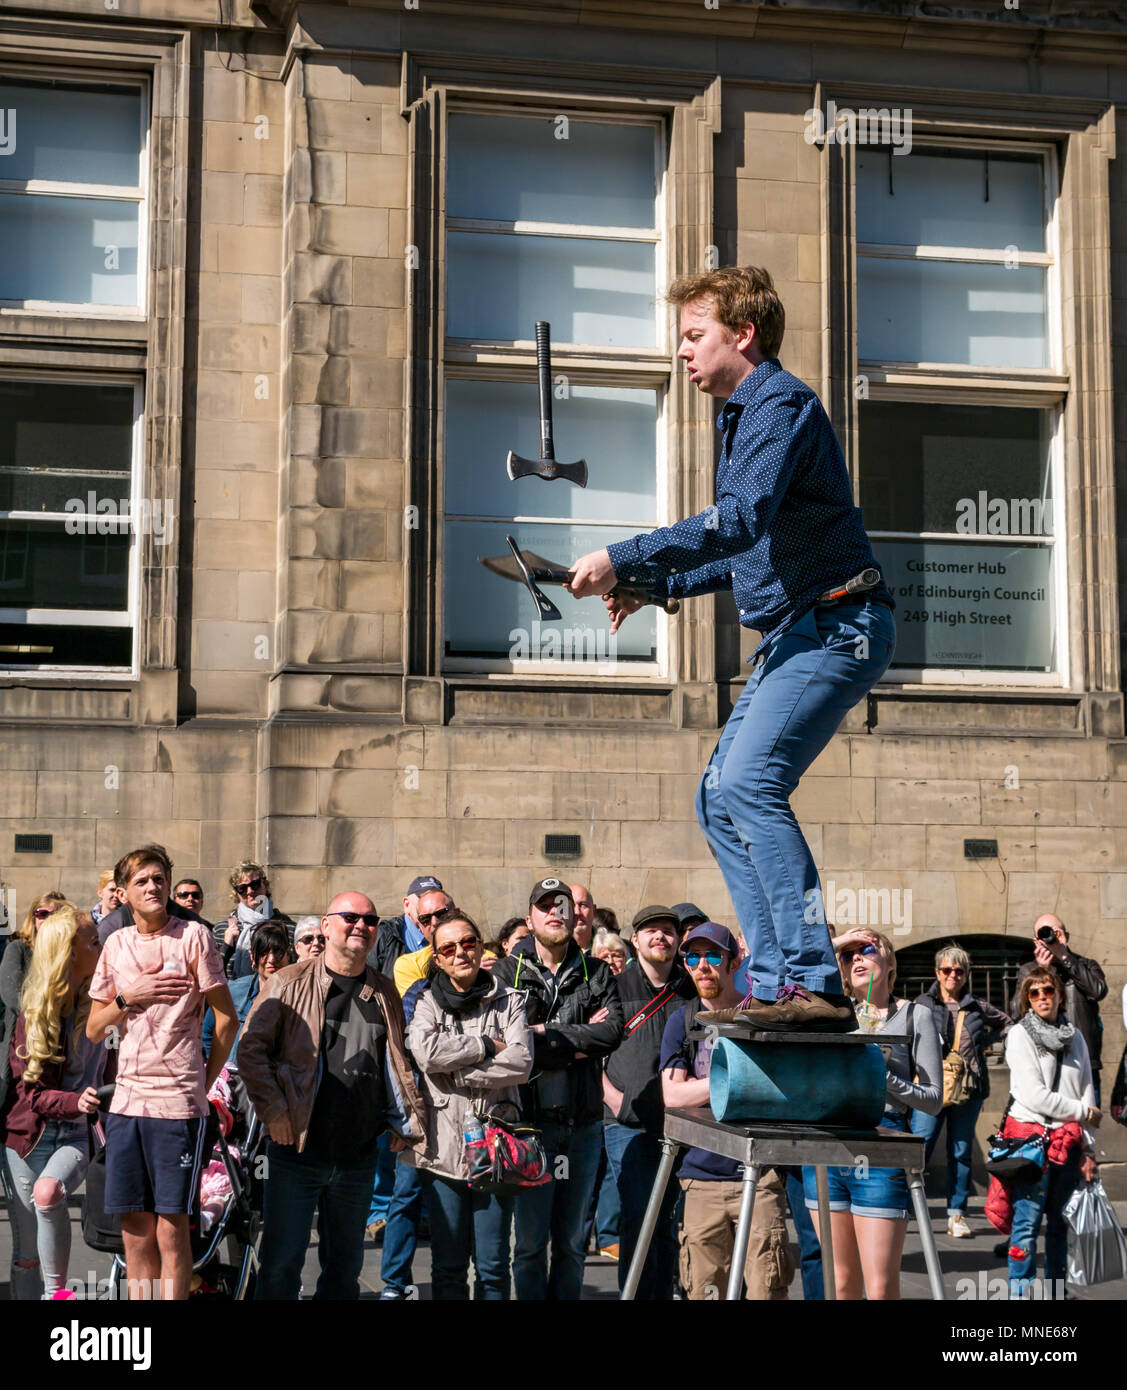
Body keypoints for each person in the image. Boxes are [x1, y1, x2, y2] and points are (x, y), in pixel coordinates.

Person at [569, 266, 895, 1033]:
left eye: (693, 336)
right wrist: (651, 584)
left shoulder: (778, 402)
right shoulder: (747, 417)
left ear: (741, 334)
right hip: (801, 630)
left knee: (748, 787)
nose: (681, 352)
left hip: (837, 625)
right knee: (717, 799)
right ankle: (781, 977)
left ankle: (811, 976)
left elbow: (738, 520)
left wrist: (625, 553)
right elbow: (749, 552)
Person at [238, 891, 427, 1301]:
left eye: (370, 920)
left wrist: (404, 1121)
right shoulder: (287, 983)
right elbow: (250, 1051)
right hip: (296, 1153)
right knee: (280, 1267)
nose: (361, 925)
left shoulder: (385, 992)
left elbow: (398, 1061)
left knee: (344, 1271)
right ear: (326, 926)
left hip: (358, 1155)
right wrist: (274, 1113)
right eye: (350, 917)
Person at [86, 844, 238, 1301]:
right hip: (127, 1105)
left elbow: (227, 1020)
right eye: (141, 881)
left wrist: (203, 1081)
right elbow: (95, 1029)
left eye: (159, 878)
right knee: (134, 1230)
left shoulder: (193, 936)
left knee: (173, 1230)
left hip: (178, 1108)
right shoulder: (114, 944)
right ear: (123, 893)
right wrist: (129, 996)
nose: (153, 886)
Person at [490, 877, 624, 1300]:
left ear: (574, 915)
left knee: (570, 1244)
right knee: (529, 1246)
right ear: (530, 919)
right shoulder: (506, 971)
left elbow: (613, 1032)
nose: (555, 913)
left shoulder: (596, 970)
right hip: (528, 1128)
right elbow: (507, 1043)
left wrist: (545, 1031)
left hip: (581, 1126)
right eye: (545, 906)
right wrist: (577, 1038)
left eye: (562, 905)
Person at [800, 929, 943, 1300]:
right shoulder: (829, 1012)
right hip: (826, 1147)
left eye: (868, 950)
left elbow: (932, 1099)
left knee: (879, 1287)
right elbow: (786, 975)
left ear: (891, 963)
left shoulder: (916, 1015)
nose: (858, 958)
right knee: (841, 1283)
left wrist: (886, 1074)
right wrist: (833, 944)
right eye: (848, 956)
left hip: (881, 1147)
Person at [660, 921, 795, 1300]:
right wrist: (737, 1080)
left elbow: (777, 1087)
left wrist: (702, 1088)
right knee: (705, 1291)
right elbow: (672, 1097)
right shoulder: (683, 1021)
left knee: (766, 1290)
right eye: (692, 956)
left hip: (760, 1173)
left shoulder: (759, 1015)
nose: (702, 965)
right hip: (701, 1178)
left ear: (734, 962)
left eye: (713, 955)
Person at [403, 909, 532, 1299]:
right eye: (449, 947)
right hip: (443, 1151)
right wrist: (484, 1047)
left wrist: (459, 1074)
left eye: (469, 943)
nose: (461, 952)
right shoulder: (426, 1001)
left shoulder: (509, 1000)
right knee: (448, 1266)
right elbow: (424, 1053)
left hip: (498, 1150)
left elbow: (522, 1062)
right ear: (437, 957)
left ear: (480, 947)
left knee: (493, 1267)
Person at [2, 906, 104, 1299]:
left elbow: (114, 1070)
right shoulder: (34, 1012)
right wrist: (77, 1099)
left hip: (76, 1134)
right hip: (25, 1138)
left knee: (48, 1194)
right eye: (93, 940)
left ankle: (56, 1296)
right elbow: (33, 1095)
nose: (102, 944)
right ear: (70, 952)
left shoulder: (102, 1002)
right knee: (26, 1253)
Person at [602, 905, 696, 1299]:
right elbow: (591, 1052)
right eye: (652, 931)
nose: (661, 937)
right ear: (635, 940)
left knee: (669, 1225)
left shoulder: (692, 989)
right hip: (629, 1126)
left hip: (684, 1124)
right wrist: (616, 1101)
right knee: (639, 1222)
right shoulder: (614, 987)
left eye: (669, 932)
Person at [376, 882, 454, 1292]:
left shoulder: (483, 954)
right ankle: (393, 1282)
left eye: (444, 913)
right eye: (426, 919)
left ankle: (450, 1282)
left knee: (456, 1201)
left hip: (465, 1101)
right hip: (420, 1094)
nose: (437, 923)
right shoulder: (409, 965)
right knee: (405, 1194)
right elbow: (420, 1032)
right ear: (416, 922)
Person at [1004, 965, 1099, 1300]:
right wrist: (1083, 1113)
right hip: (1033, 1142)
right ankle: (1020, 1293)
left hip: (1069, 1143)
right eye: (1035, 992)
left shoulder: (1076, 1037)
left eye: (1049, 990)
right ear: (1027, 1000)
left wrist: (1088, 1147)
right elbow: (1033, 1095)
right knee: (1027, 1224)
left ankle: (1057, 1292)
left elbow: (1087, 1087)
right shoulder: (1020, 1035)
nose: (1043, 997)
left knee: (1060, 1224)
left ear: (1060, 995)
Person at [912, 943, 1010, 1237]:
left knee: (961, 1150)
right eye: (947, 969)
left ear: (966, 974)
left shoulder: (977, 1006)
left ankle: (957, 1215)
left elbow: (1009, 1025)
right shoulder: (922, 1004)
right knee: (919, 1147)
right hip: (930, 1088)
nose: (952, 975)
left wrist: (989, 1045)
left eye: (959, 970)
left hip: (968, 1091)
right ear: (937, 973)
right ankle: (904, 1207)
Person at [1010, 915, 1107, 1103]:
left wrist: (1064, 956)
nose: (1048, 939)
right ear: (1036, 941)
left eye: (1053, 933)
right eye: (1043, 934)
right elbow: (1016, 1011)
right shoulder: (1028, 970)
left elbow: (1097, 991)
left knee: (1085, 1125)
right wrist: (1041, 972)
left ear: (1065, 936)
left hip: (1083, 1063)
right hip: (1044, 1062)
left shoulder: (1086, 965)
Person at [1, 891, 67, 1109]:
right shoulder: (18, 948)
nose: (48, 919)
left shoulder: (69, 954)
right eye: (42, 914)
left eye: (55, 914)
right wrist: (44, 1017)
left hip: (58, 1045)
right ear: (32, 917)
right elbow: (12, 996)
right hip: (21, 1041)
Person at [202, 922, 291, 1071]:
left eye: (278, 951)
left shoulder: (301, 995)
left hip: (274, 1083)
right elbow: (207, 1033)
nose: (271, 959)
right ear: (252, 956)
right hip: (234, 1081)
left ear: (288, 954)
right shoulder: (234, 991)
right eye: (263, 952)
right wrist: (219, 1072)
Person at [368, 874, 448, 978]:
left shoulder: (449, 933)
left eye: (434, 898)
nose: (428, 903)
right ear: (406, 904)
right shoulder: (385, 934)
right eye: (422, 898)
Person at [222, 862, 291, 978]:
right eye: (242, 888)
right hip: (236, 994)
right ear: (236, 893)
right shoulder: (224, 928)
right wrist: (226, 946)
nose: (249, 891)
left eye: (255, 884)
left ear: (264, 884)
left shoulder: (287, 926)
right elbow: (211, 973)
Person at [568, 885, 597, 952]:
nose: (577, 912)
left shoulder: (609, 948)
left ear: (594, 910)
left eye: (583, 905)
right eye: (571, 906)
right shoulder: (553, 948)